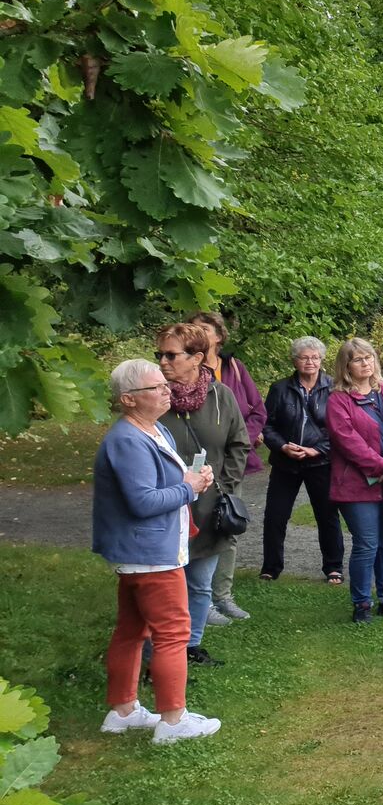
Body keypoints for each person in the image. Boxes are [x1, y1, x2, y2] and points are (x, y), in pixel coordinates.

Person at [93, 360, 222, 743]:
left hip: (149, 548)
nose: (167, 390)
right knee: (172, 633)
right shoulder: (127, 440)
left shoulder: (154, 429)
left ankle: (123, 711)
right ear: (129, 399)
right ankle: (172, 720)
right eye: (156, 387)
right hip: (150, 551)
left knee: (133, 630)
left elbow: (163, 479)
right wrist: (191, 489)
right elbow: (142, 501)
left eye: (165, 384)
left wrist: (191, 477)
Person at [155, 323, 250, 666]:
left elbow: (240, 442)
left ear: (196, 358)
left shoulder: (220, 396)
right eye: (160, 355)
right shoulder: (156, 396)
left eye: (171, 355)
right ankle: (160, 652)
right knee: (165, 589)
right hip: (165, 504)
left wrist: (224, 483)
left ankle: (191, 646)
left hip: (210, 506)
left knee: (200, 583)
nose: (163, 362)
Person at [327, 337, 383, 623]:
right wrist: (382, 465)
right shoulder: (338, 400)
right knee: (367, 544)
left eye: (369, 357)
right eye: (358, 359)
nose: (366, 363)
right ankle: (361, 604)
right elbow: (347, 441)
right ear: (346, 366)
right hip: (357, 484)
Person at [188, 311, 266, 622]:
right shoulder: (184, 369)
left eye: (204, 329)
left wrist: (242, 439)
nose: (199, 333)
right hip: (196, 466)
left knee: (229, 527)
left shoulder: (233, 367)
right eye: (194, 329)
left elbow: (257, 409)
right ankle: (200, 601)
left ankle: (223, 597)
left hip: (231, 463)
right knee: (196, 530)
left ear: (219, 336)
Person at [260, 337, 344, 583]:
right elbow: (267, 425)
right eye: (305, 357)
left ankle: (333, 567)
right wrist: (283, 446)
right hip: (286, 462)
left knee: (327, 516)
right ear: (295, 361)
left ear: (322, 360)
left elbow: (341, 429)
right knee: (275, 515)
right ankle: (270, 567)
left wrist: (318, 450)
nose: (310, 362)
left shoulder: (334, 387)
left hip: (321, 462)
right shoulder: (280, 388)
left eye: (315, 357)